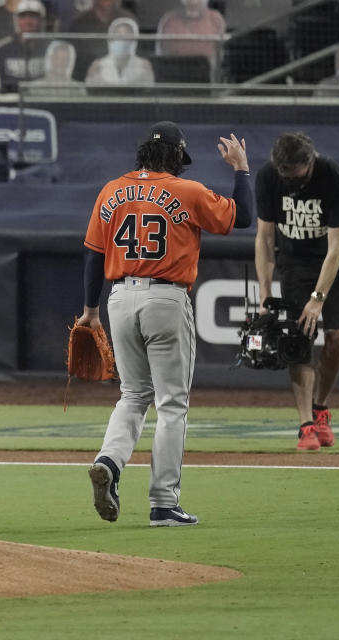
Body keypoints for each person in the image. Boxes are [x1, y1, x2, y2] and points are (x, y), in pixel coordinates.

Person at [81, 121, 253, 527]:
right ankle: (163, 503)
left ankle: (109, 460)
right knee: (171, 403)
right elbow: (242, 217)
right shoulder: (187, 191)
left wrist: (90, 310)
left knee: (133, 394)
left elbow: (92, 254)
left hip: (119, 297)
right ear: (177, 157)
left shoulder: (111, 190)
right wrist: (242, 170)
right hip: (166, 297)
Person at [254, 132, 339, 451]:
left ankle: (321, 408)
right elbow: (265, 239)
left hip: (333, 264)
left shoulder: (333, 177)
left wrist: (318, 299)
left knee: (336, 338)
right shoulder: (269, 176)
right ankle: (306, 424)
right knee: (298, 344)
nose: (289, 179)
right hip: (294, 265)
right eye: (284, 172)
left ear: (309, 162)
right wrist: (265, 294)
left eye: (294, 172)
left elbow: (336, 248)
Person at [67, 0, 135, 81]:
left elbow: (136, 51)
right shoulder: (79, 22)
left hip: (123, 81)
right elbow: (72, 57)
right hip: (85, 80)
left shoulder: (128, 20)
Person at [0, 0, 49, 92]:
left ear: (41, 20)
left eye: (33, 16)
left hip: (43, 99)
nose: (28, 21)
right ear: (16, 20)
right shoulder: (3, 49)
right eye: (23, 16)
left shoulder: (51, 48)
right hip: (11, 101)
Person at [156, 0, 225, 75]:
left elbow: (220, 57)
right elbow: (160, 55)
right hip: (173, 76)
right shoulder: (168, 19)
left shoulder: (216, 19)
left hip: (206, 78)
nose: (193, 2)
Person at [84, 17, 154, 86]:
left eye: (127, 37)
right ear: (111, 40)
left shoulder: (143, 65)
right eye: (118, 36)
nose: (122, 40)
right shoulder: (99, 66)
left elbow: (148, 91)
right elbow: (90, 91)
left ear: (133, 41)